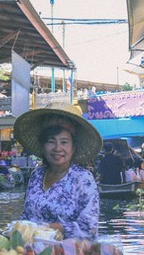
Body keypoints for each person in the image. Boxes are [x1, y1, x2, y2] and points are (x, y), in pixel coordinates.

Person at [13, 102, 101, 240]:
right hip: (33, 253)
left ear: (73, 148)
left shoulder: (83, 179)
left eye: (64, 142)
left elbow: (89, 228)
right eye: (51, 141)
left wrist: (52, 228)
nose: (57, 148)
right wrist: (17, 229)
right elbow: (27, 216)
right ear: (43, 146)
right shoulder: (36, 175)